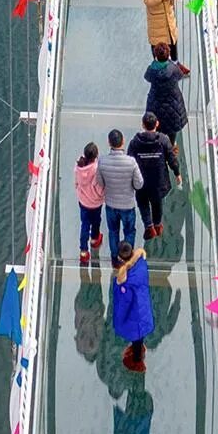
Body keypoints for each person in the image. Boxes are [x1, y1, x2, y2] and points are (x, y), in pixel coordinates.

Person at [127, 112, 178, 238]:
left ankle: (148, 226)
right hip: (159, 181)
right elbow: (171, 158)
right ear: (157, 124)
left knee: (142, 202)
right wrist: (177, 172)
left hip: (141, 180)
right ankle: (157, 225)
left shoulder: (135, 142)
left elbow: (129, 161)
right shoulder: (164, 140)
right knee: (157, 202)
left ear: (143, 125)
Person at [97, 128, 144, 256]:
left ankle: (115, 258)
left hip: (111, 205)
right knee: (129, 232)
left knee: (113, 232)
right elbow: (139, 184)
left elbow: (100, 183)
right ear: (123, 142)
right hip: (127, 205)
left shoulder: (102, 161)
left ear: (109, 142)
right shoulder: (131, 162)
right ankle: (127, 257)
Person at [143, 43, 190, 171]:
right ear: (168, 54)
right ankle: (171, 151)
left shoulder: (151, 70)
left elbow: (146, 77)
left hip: (156, 104)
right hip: (172, 104)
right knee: (172, 130)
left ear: (156, 55)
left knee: (158, 129)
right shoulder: (173, 68)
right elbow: (180, 75)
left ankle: (160, 154)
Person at [111, 242, 154, 372]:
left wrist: (119, 318)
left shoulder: (125, 282)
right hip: (142, 308)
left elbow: (124, 303)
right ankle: (138, 349)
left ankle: (137, 361)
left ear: (120, 258)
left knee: (137, 336)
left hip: (134, 315)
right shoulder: (141, 264)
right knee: (139, 335)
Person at [74, 141, 105, 266]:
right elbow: (99, 188)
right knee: (96, 221)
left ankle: (83, 251)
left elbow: (76, 183)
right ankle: (94, 239)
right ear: (96, 155)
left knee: (84, 224)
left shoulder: (78, 167)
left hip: (83, 201)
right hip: (95, 203)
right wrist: (103, 194)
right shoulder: (96, 169)